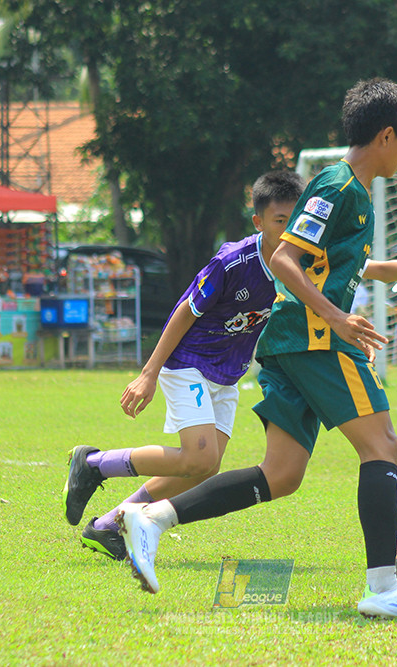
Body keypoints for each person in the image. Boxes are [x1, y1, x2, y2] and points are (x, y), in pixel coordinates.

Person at [113, 78, 397, 620]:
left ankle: (152, 518)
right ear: (386, 135)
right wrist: (336, 316)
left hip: (293, 343)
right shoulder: (337, 188)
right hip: (314, 341)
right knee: (383, 445)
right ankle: (383, 587)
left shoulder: (350, 193)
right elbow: (283, 262)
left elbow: (332, 264)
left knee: (282, 474)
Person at [63, 170, 307, 560]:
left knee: (203, 468)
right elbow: (184, 311)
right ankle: (93, 464)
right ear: (259, 222)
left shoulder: (299, 259)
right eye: (280, 222)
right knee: (198, 457)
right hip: (189, 363)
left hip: (227, 375)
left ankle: (109, 525)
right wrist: (149, 373)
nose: (289, 230)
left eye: (295, 222)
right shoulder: (232, 262)